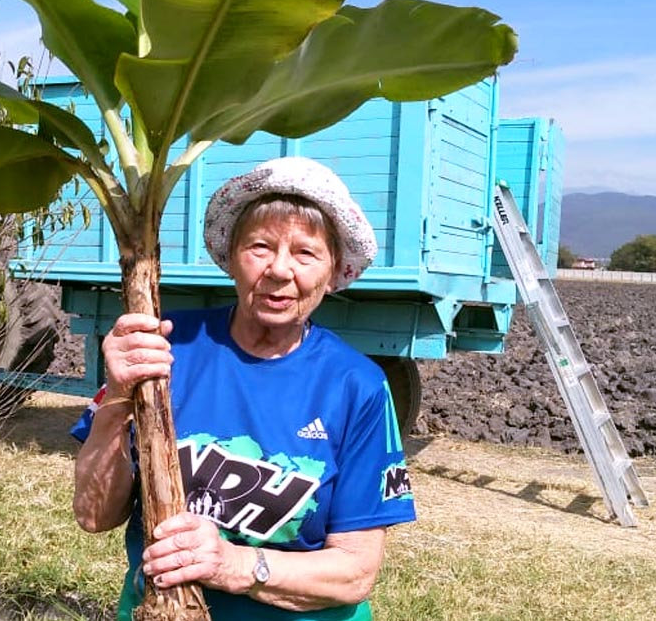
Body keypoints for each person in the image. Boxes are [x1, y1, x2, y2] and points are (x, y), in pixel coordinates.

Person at [71, 156, 416, 621]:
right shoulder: (168, 350)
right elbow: (94, 517)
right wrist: (115, 398)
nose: (279, 269)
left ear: (333, 273)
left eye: (305, 253)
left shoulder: (357, 386)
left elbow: (355, 572)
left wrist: (235, 565)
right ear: (231, 257)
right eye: (260, 246)